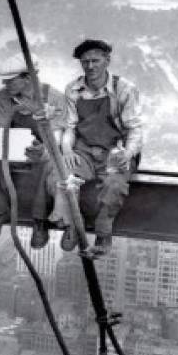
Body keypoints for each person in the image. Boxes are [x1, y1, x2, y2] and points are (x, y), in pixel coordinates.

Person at [43, 39, 144, 256]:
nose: (90, 66)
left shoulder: (124, 89)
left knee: (114, 185)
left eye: (95, 61)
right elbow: (70, 126)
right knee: (59, 174)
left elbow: (135, 128)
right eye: (85, 62)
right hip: (85, 150)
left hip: (115, 151)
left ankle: (103, 232)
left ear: (107, 61)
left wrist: (127, 153)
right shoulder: (73, 89)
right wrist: (67, 150)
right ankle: (70, 225)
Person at [0, 52, 66, 245]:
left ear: (28, 77)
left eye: (10, 80)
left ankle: (39, 219)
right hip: (13, 145)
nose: (5, 85)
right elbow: (0, 126)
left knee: (46, 164)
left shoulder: (54, 98)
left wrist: (43, 149)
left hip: (44, 147)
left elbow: (58, 136)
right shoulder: (3, 97)